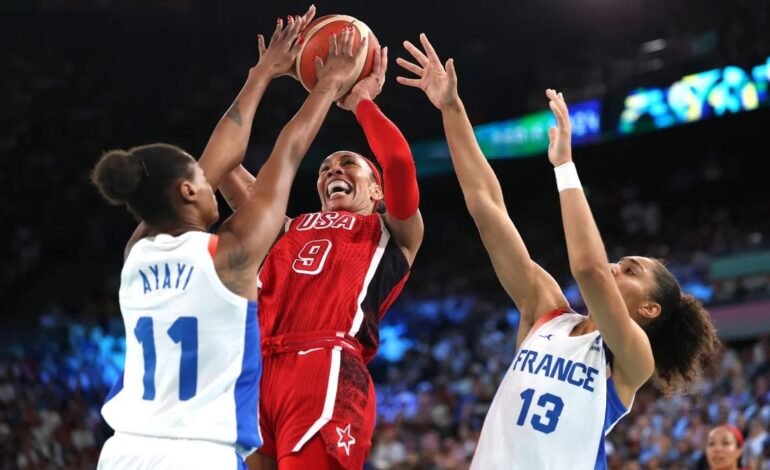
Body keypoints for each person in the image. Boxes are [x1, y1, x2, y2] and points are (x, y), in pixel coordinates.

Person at [396, 33, 720, 469]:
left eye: (630, 269)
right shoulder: (545, 311)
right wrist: (451, 109)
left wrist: (564, 166)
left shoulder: (632, 355)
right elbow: (487, 208)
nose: (613, 266)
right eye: (620, 262)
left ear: (649, 309)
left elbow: (587, 268)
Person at [93, 11, 368, 468]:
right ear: (186, 192)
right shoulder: (230, 254)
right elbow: (290, 150)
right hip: (198, 455)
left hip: (122, 451)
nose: (210, 177)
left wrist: (261, 74)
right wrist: (328, 84)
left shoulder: (136, 250)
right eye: (200, 178)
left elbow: (221, 157)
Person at [221, 35, 423, 470]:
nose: (333, 169)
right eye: (326, 168)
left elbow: (401, 165)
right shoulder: (286, 228)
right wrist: (264, 76)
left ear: (376, 188)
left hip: (325, 365)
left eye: (348, 163)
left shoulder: (390, 228)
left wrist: (362, 102)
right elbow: (220, 167)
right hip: (256, 370)